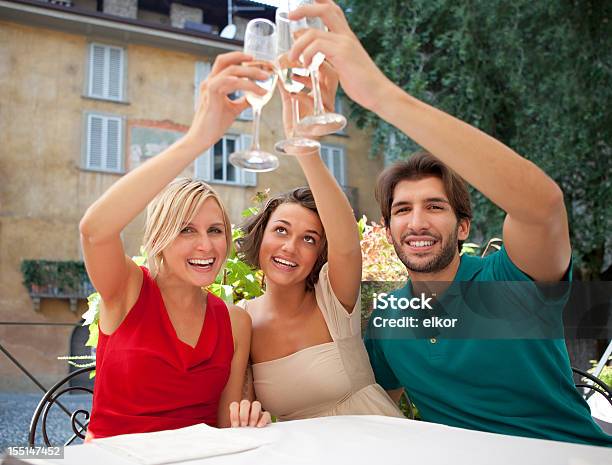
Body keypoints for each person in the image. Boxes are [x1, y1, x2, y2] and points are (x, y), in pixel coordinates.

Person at [288, 0, 612, 446]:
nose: (417, 222)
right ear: (388, 228)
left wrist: (381, 95)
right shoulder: (389, 318)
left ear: (463, 227)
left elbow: (543, 206)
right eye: (403, 210)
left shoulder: (513, 279)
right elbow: (375, 404)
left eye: (435, 207)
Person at [80, 52, 271, 439]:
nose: (206, 245)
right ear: (160, 238)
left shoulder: (235, 322)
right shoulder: (129, 290)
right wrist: (198, 139)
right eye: (186, 230)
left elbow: (223, 424)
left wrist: (244, 426)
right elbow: (94, 230)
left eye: (215, 230)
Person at [235, 70, 404, 421]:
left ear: (318, 255)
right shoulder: (242, 321)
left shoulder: (333, 297)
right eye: (281, 231)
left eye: (309, 239)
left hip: (381, 446)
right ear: (261, 235)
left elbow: (345, 244)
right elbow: (241, 408)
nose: (290, 247)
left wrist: (306, 148)